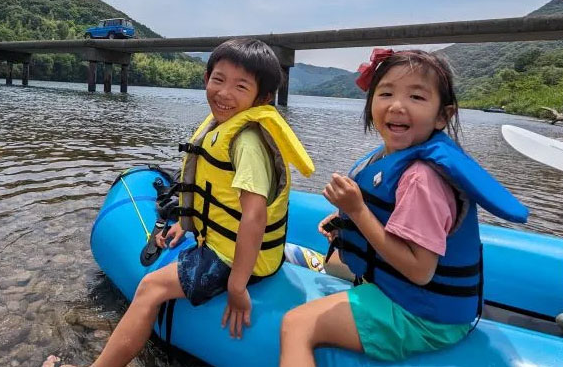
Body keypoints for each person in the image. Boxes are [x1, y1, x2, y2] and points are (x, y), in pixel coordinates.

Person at [280, 48, 529, 365]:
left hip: (422, 316)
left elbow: (419, 271)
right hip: (404, 295)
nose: (397, 106)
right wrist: (348, 222)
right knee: (334, 263)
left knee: (296, 325)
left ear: (443, 115)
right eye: (386, 93)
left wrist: (358, 212)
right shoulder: (391, 158)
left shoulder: (420, 180)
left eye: (416, 97)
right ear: (371, 103)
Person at [93, 38, 314, 367]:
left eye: (241, 86)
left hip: (236, 260)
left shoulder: (247, 141)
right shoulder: (220, 127)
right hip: (223, 241)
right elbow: (211, 192)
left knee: (151, 287)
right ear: (206, 79)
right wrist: (187, 225)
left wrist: (237, 286)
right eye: (218, 79)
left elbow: (254, 217)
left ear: (262, 97)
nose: (224, 93)